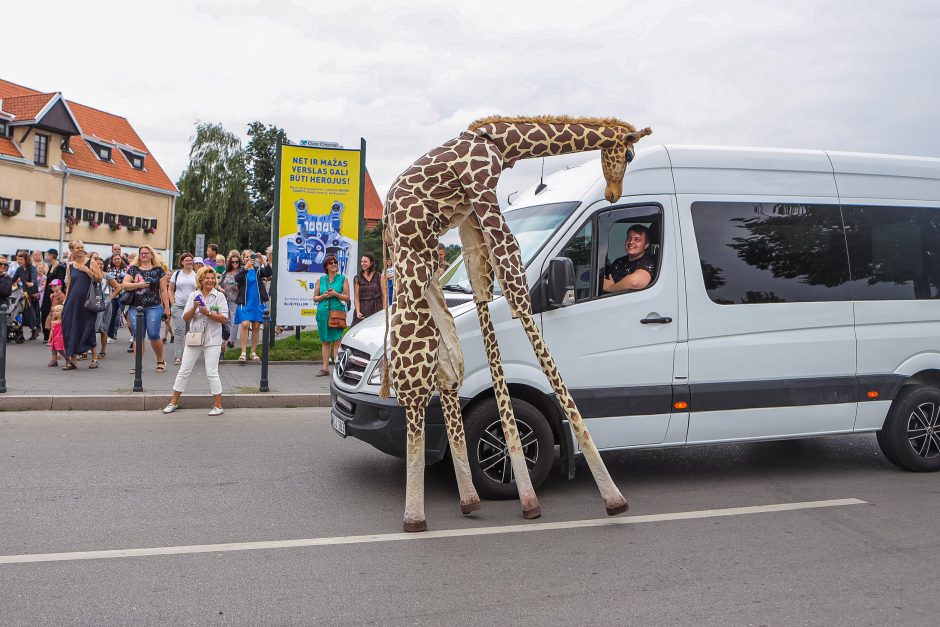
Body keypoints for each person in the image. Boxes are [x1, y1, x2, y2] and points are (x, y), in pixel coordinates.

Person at [162, 267, 229, 416]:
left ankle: (218, 405)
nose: (210, 280)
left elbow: (225, 318)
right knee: (184, 370)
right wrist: (194, 308)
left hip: (212, 338)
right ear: (201, 280)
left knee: (212, 372)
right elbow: (185, 317)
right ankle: (173, 402)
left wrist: (209, 313)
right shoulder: (194, 295)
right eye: (207, 278)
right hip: (195, 337)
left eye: (212, 278)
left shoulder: (219, 296)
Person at [122, 245, 170, 373]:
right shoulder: (133, 269)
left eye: (146, 253)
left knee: (154, 334)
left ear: (151, 255)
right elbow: (124, 285)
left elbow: (164, 290)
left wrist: (167, 308)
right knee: (138, 336)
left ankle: (160, 360)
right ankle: (138, 364)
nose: (144, 255)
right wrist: (139, 284)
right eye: (142, 253)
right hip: (135, 307)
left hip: (154, 306)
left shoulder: (159, 270)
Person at [61, 240, 103, 370]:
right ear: (72, 250)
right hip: (72, 302)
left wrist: (87, 271)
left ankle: (94, 359)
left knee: (88, 327)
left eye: (82, 247)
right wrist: (65, 301)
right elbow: (69, 286)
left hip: (87, 302)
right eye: (77, 247)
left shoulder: (91, 262)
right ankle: (72, 360)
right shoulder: (70, 266)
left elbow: (99, 278)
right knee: (70, 327)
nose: (80, 249)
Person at [314, 253, 349, 376]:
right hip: (323, 312)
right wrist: (323, 296)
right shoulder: (320, 280)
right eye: (331, 263)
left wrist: (335, 294)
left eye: (335, 262)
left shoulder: (343, 278)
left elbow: (347, 297)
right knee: (325, 341)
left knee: (337, 341)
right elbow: (315, 298)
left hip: (337, 312)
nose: (334, 264)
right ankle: (325, 368)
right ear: (326, 266)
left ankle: (337, 368)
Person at [234, 250, 272, 362]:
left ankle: (253, 352)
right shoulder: (242, 269)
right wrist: (246, 267)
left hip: (257, 302)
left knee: (256, 326)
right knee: (245, 324)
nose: (249, 258)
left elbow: (268, 272)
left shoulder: (258, 269)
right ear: (243, 258)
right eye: (246, 257)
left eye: (251, 256)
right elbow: (237, 279)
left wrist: (264, 261)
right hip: (245, 302)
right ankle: (243, 352)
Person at [603, 224, 656, 293]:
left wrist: (611, 288)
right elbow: (603, 282)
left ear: (646, 245)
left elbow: (635, 282)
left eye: (637, 240)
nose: (631, 242)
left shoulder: (650, 261)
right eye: (629, 238)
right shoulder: (619, 261)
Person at [168, 253, 198, 366]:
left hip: (192, 307)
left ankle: (189, 356)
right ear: (182, 262)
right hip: (179, 306)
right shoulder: (176, 274)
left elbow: (199, 290)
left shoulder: (196, 275)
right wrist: (173, 303)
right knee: (179, 331)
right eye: (187, 260)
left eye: (191, 260)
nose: (189, 262)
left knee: (190, 332)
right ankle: (178, 356)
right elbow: (170, 290)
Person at [11, 250, 41, 340]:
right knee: (22, 312)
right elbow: (13, 279)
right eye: (18, 259)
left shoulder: (31, 268)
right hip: (24, 293)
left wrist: (32, 283)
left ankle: (34, 330)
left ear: (26, 259)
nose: (19, 261)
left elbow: (34, 278)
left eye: (21, 259)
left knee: (30, 312)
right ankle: (28, 330)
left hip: (32, 293)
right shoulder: (19, 269)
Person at [92, 254, 115, 359]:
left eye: (101, 264)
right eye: (97, 264)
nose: (100, 265)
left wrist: (110, 297)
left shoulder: (107, 276)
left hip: (105, 302)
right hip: (93, 301)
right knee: (92, 326)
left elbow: (118, 287)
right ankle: (90, 349)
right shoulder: (91, 275)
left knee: (103, 328)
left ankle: (102, 351)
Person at [41, 248, 66, 341]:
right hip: (48, 294)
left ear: (51, 255)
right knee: (45, 313)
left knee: (53, 314)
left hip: (55, 295)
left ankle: (52, 336)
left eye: (47, 255)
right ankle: (47, 335)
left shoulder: (59, 267)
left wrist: (55, 293)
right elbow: (48, 281)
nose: (46, 256)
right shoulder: (50, 266)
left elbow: (61, 282)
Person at [219, 251, 242, 348]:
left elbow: (245, 286)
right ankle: (226, 337)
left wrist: (237, 288)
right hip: (224, 299)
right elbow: (219, 283)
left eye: (237, 262)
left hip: (235, 299)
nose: (235, 264)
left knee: (234, 320)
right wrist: (221, 289)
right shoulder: (226, 272)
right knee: (226, 319)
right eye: (233, 262)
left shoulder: (241, 272)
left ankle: (231, 341)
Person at [353, 253, 382, 326]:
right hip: (363, 310)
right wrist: (358, 312)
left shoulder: (379, 276)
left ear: (371, 262)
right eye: (361, 261)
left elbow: (384, 295)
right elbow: (356, 298)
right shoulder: (357, 278)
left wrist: (383, 311)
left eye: (365, 261)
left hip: (376, 309)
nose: (363, 264)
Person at [105, 253, 127, 342]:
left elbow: (128, 280)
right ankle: (111, 335)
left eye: (118, 259)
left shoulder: (126, 268)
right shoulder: (109, 269)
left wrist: (120, 286)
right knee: (112, 315)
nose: (117, 261)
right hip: (114, 294)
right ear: (112, 261)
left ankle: (134, 335)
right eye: (115, 259)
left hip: (124, 295)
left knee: (126, 314)